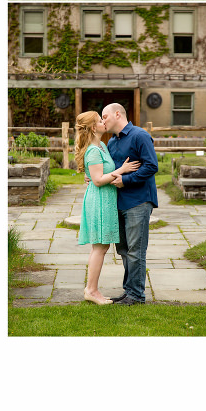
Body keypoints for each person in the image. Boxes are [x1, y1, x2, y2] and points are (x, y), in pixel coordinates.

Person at [74, 111, 141, 305]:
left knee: (101, 247)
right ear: (94, 128)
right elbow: (98, 180)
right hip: (99, 200)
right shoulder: (93, 150)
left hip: (106, 199)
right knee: (100, 247)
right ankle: (91, 290)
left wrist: (94, 174)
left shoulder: (102, 145)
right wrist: (122, 170)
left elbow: (97, 174)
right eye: (100, 120)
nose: (104, 122)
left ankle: (92, 289)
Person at [101, 103, 159, 305]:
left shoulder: (139, 135)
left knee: (136, 250)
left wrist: (126, 180)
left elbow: (152, 166)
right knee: (124, 250)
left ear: (118, 114)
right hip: (119, 202)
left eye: (105, 116)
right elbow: (113, 170)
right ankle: (129, 292)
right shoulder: (111, 143)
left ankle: (137, 295)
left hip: (139, 201)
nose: (103, 121)